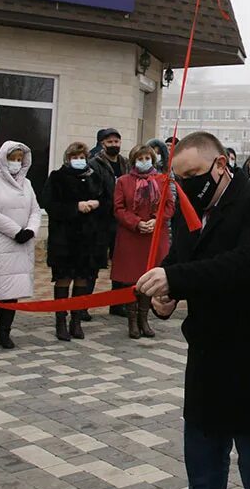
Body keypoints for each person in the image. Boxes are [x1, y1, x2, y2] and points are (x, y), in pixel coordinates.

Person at [136, 132, 250, 489]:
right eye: (179, 178)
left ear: (221, 164)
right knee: (202, 462)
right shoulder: (191, 210)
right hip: (207, 357)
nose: (186, 184)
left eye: (193, 175)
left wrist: (177, 279)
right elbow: (179, 263)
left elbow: (247, 263)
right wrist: (163, 299)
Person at [40, 142, 111, 342]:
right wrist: (75, 207)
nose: (79, 161)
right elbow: (49, 204)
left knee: (83, 278)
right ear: (68, 158)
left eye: (82, 157)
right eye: (75, 157)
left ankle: (76, 320)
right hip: (64, 239)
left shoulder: (94, 177)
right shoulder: (57, 177)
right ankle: (60, 322)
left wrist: (97, 203)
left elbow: (108, 201)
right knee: (63, 278)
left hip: (89, 240)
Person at [0, 142, 41, 350]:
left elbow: (35, 210)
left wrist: (30, 230)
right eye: (12, 158)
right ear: (3, 159)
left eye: (20, 159)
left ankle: (5, 333)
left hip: (22, 244)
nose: (16, 163)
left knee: (13, 292)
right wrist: (15, 231)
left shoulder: (27, 184)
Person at [111, 144, 172, 339]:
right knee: (132, 279)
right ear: (133, 160)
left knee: (148, 278)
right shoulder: (123, 181)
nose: (144, 162)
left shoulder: (161, 180)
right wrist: (137, 223)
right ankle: (132, 322)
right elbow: (119, 208)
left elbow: (170, 205)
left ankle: (144, 320)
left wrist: (157, 219)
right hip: (132, 236)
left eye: (147, 158)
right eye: (140, 158)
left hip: (154, 236)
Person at [87, 128, 127, 321]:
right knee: (94, 264)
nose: (114, 145)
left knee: (121, 263)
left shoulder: (125, 163)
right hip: (101, 221)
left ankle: (117, 304)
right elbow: (93, 191)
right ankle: (83, 306)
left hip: (121, 222)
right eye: (110, 142)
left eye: (117, 142)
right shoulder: (95, 164)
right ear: (102, 144)